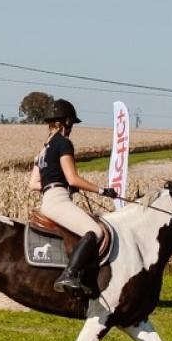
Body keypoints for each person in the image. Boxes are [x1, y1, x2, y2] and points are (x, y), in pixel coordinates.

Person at [31, 99, 118, 297]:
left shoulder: (43, 150)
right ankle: (69, 275)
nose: (71, 130)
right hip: (59, 200)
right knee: (94, 231)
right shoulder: (63, 143)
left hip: (47, 200)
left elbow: (34, 184)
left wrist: (61, 183)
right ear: (66, 122)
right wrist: (103, 191)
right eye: (71, 125)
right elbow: (73, 178)